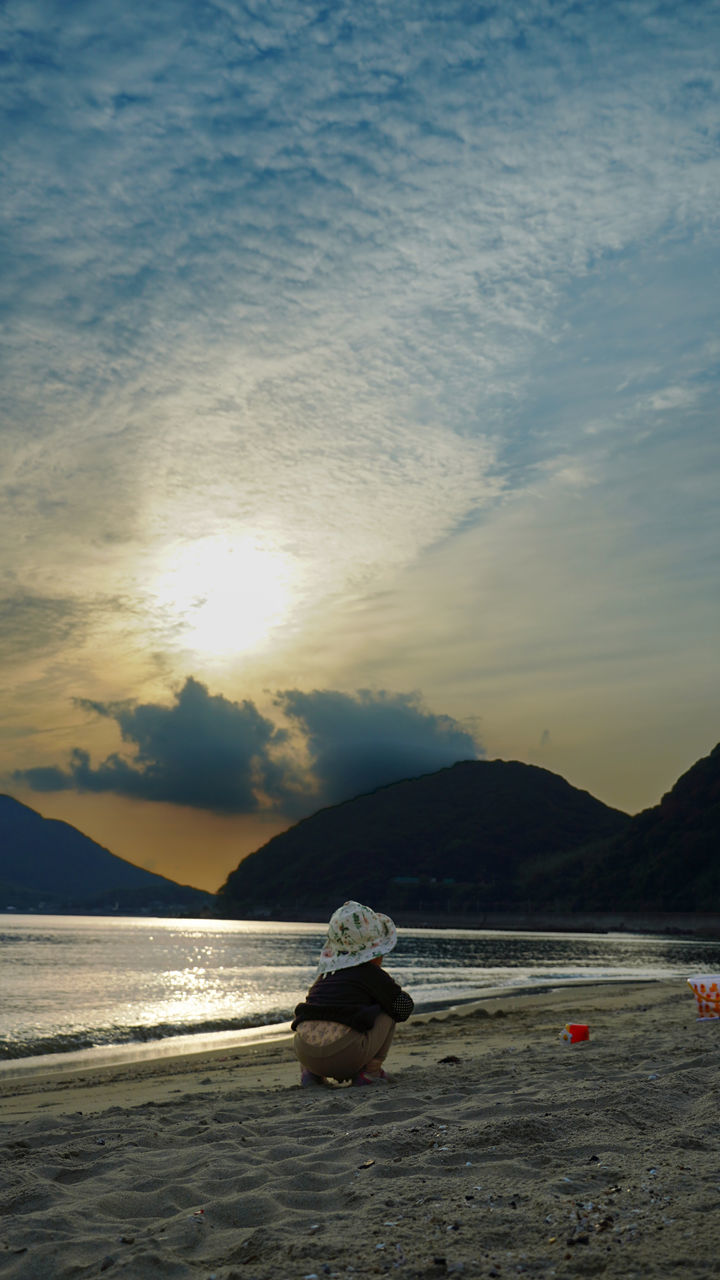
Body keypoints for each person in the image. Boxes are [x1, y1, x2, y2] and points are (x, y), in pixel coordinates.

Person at [292, 900, 414, 1087]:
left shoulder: (325, 976)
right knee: (389, 1010)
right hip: (345, 1055)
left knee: (316, 1014)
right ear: (375, 951)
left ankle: (311, 1074)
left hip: (304, 1052)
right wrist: (383, 998)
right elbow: (403, 1009)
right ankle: (370, 1072)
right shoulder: (372, 975)